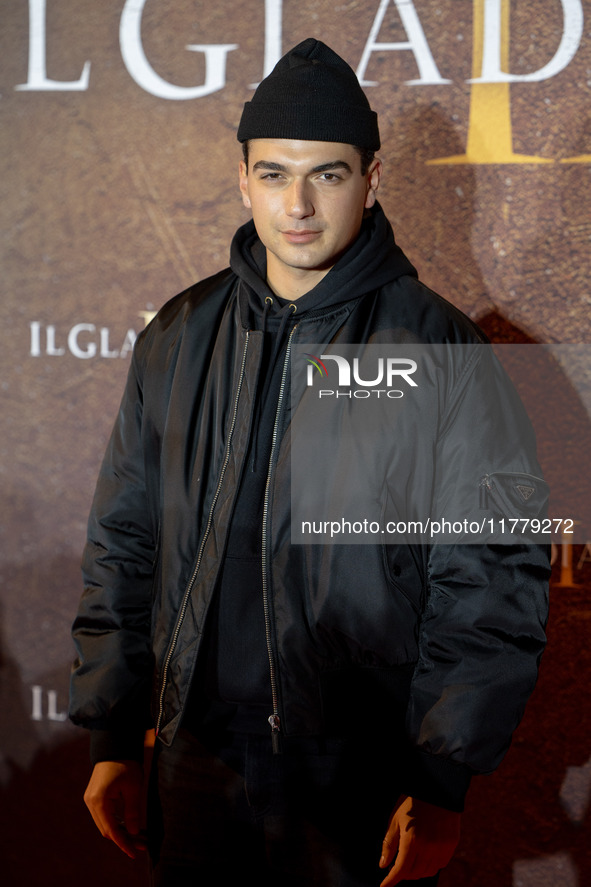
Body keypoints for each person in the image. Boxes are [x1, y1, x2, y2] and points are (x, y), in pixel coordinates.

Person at [70, 38, 550, 886]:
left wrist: (439, 779)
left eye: (326, 174)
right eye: (274, 172)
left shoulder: (440, 347)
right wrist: (114, 733)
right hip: (195, 761)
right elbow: (125, 536)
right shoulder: (178, 335)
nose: (297, 203)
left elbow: (491, 574)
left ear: (371, 179)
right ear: (242, 178)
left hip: (358, 776)